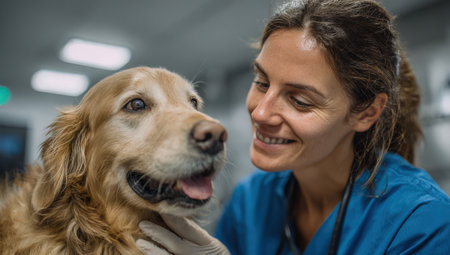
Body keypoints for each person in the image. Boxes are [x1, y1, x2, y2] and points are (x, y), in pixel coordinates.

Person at [137, 0, 450, 254]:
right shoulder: (251, 202)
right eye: (260, 82)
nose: (260, 112)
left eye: (300, 100)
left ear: (366, 113)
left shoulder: (423, 222)